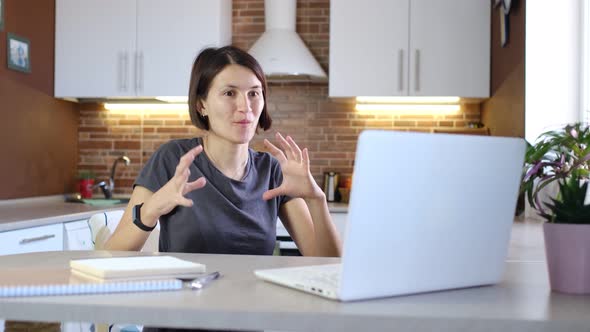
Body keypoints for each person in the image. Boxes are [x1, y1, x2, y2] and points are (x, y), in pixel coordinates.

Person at [104, 46, 342, 259]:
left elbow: (329, 264)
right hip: (187, 304)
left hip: (253, 303)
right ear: (202, 105)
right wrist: (153, 208)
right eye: (229, 93)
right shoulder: (173, 159)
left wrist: (316, 199)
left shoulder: (271, 171)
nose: (245, 107)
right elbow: (108, 256)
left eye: (254, 93)